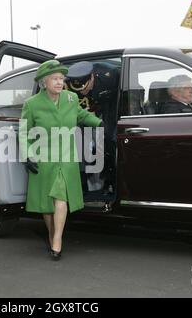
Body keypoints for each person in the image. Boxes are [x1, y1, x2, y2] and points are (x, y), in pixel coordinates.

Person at [19, 60, 102, 260]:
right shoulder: (32, 104)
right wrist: (27, 155)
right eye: (54, 79)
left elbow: (82, 116)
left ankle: (57, 240)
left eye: (61, 79)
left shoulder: (71, 98)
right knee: (46, 206)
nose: (59, 82)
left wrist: (101, 123)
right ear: (43, 82)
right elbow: (23, 132)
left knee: (61, 198)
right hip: (43, 159)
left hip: (66, 159)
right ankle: (51, 233)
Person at [65, 61, 119, 194]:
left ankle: (110, 181)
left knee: (110, 136)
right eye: (79, 89)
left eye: (85, 87)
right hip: (82, 115)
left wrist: (102, 121)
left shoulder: (110, 76)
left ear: (92, 77)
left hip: (107, 108)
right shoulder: (67, 84)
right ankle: (83, 185)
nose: (83, 91)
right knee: (79, 142)